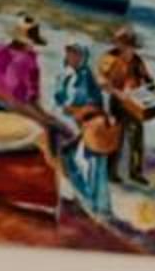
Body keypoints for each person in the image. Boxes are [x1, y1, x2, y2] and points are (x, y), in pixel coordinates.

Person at [49, 40, 118, 222]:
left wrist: (80, 114)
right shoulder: (63, 75)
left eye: (76, 53)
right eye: (70, 52)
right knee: (69, 163)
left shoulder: (87, 78)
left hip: (87, 127)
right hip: (67, 124)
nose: (72, 56)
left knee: (93, 167)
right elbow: (58, 100)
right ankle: (84, 201)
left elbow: (96, 104)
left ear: (83, 57)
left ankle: (99, 209)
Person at [99, 25, 155, 186]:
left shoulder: (137, 60)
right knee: (116, 137)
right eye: (122, 43)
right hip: (118, 102)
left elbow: (148, 79)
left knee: (137, 138)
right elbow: (102, 81)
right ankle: (111, 173)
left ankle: (136, 173)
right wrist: (118, 93)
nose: (124, 47)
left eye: (129, 45)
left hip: (135, 103)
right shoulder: (109, 58)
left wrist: (151, 91)